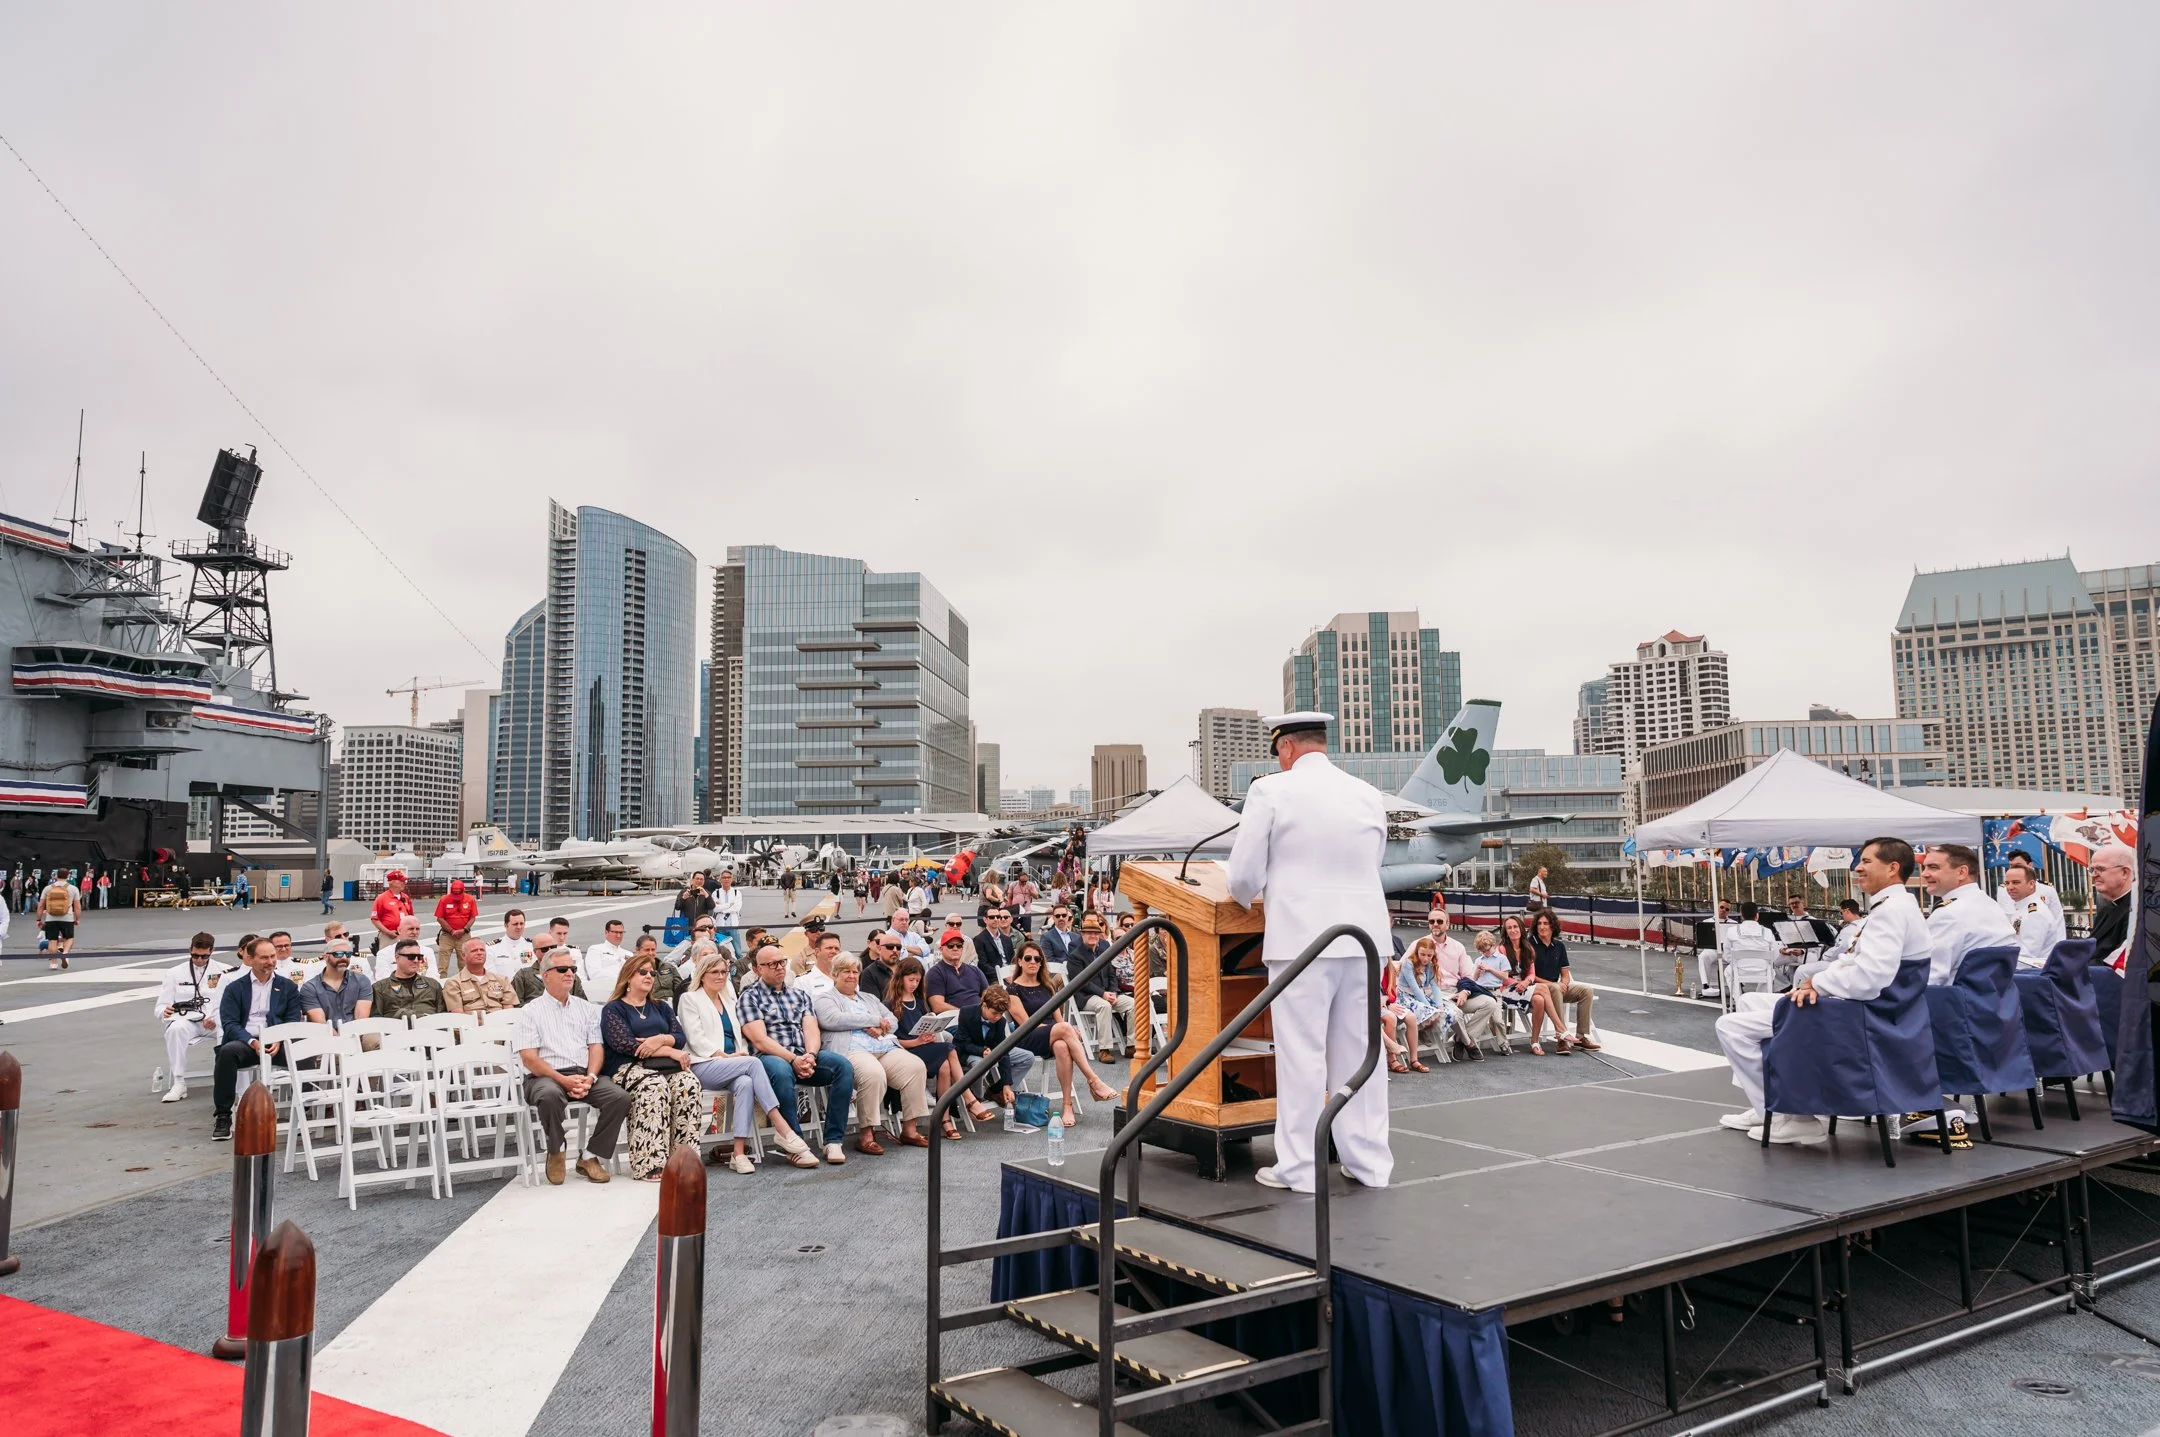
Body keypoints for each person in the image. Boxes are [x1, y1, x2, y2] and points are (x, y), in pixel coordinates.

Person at [1226, 712, 1394, 1193]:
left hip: (1301, 939)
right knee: (1362, 1054)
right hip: (1364, 939)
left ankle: (1299, 1169)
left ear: (1286, 749)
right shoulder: (1366, 792)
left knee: (1302, 1056)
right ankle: (1368, 1163)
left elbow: (1242, 875)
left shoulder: (1270, 791)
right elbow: (1373, 860)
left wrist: (1247, 897)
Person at [1714, 837, 1928, 1145]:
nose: (1858, 867)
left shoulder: (1890, 912)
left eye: (1867, 861)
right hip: (1865, 1007)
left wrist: (1819, 984)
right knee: (1749, 1000)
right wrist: (1816, 982)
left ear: (1893, 868)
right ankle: (1766, 1108)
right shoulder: (1895, 906)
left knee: (1729, 1027)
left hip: (1860, 1015)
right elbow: (1854, 962)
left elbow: (1871, 977)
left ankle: (1795, 1113)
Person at [678, 952, 820, 1172]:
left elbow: (741, 1037)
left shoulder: (729, 999)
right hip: (703, 1064)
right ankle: (783, 1128)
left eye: (724, 972)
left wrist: (740, 1054)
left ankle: (739, 1153)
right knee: (754, 1064)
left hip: (733, 1064)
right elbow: (695, 1039)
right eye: (714, 972)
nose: (720, 976)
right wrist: (725, 1056)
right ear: (702, 974)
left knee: (745, 1083)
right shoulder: (690, 999)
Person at [514, 950, 631, 1184]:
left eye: (573, 969)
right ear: (545, 975)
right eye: (563, 969)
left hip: (582, 1073)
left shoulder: (585, 1008)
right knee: (549, 1095)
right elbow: (529, 1058)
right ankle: (556, 1149)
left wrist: (590, 1077)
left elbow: (596, 1047)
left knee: (620, 1097)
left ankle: (590, 1156)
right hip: (544, 1076)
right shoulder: (530, 1011)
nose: (570, 973)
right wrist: (562, 1080)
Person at [737, 941, 856, 1164]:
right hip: (770, 1057)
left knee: (843, 1066)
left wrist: (810, 1055)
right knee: (781, 1072)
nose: (779, 967)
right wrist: (792, 1059)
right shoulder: (750, 996)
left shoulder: (799, 995)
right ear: (758, 969)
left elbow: (811, 1029)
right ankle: (795, 1145)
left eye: (782, 962)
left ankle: (833, 1140)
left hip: (803, 1055)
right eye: (771, 964)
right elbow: (760, 1040)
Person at [596, 954, 708, 1181]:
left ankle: (684, 1159)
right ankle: (650, 1162)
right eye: (643, 972)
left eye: (653, 973)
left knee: (688, 1084)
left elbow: (679, 1036)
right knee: (654, 1086)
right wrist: (669, 1050)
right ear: (628, 976)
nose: (649, 976)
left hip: (663, 1067)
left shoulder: (661, 1007)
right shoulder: (614, 1009)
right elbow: (625, 1044)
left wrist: (660, 1040)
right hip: (627, 1066)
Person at [814, 954, 933, 1151]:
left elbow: (892, 1021)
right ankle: (866, 1133)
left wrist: (880, 1028)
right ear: (835, 974)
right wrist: (873, 1020)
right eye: (846, 971)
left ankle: (909, 1129)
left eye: (855, 971)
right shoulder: (825, 998)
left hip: (883, 1047)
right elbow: (832, 1019)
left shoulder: (869, 998)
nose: (852, 976)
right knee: (873, 1074)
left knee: (915, 1066)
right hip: (852, 1050)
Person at [1005, 941, 1119, 1130]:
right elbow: (1026, 1024)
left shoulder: (1047, 986)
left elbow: (1058, 1018)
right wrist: (1065, 1029)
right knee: (1066, 1029)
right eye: (1028, 958)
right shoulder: (1013, 990)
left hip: (1054, 1035)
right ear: (1020, 961)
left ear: (1041, 963)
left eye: (1037, 958)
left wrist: (1066, 1030)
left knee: (1062, 1046)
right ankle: (1094, 1080)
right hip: (1028, 1036)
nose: (1033, 962)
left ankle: (1067, 1106)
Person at [887, 955, 996, 1134]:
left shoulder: (919, 1002)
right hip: (905, 1053)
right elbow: (892, 1041)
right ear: (900, 979)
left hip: (923, 1048)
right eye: (910, 979)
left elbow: (922, 1026)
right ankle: (970, 1099)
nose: (914, 984)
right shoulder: (890, 1004)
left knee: (945, 1067)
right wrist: (916, 1041)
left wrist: (930, 1031)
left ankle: (945, 1120)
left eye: (917, 980)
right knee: (950, 1049)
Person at [210, 936, 303, 1140]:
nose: (270, 961)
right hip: (247, 1042)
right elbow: (230, 1024)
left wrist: (279, 1038)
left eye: (272, 956)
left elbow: (292, 1018)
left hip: (277, 1040)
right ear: (250, 959)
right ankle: (223, 1115)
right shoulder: (235, 987)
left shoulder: (287, 987)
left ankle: (305, 1110)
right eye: (264, 958)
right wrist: (252, 1042)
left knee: (306, 1052)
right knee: (226, 1054)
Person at [1921, 843, 2015, 985]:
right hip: (1991, 1002)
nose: (1924, 874)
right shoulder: (1989, 904)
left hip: (1952, 1003)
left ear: (1961, 873)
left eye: (1933, 867)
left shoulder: (1949, 913)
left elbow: (1929, 977)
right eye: (1924, 867)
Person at [155, 932, 233, 1102]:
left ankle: (225, 1080)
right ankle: (179, 1082)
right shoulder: (174, 973)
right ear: (190, 950)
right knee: (175, 1029)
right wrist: (164, 1012)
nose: (199, 959)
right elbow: (160, 1006)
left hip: (214, 1022)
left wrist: (216, 1017)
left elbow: (230, 1003)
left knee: (229, 1031)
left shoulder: (224, 971)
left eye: (204, 956)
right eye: (195, 955)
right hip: (188, 1021)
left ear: (211, 951)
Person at [1068, 913, 1131, 1061]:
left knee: (1132, 1004)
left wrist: (1114, 992)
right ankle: (1105, 1049)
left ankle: (1131, 1045)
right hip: (1085, 997)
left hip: (1106, 993)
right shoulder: (1075, 956)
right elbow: (1081, 981)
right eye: (1089, 933)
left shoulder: (1104, 952)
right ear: (1082, 935)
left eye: (1096, 934)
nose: (1093, 936)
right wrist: (1103, 994)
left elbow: (1111, 975)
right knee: (1104, 1006)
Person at [1393, 938, 1455, 1069]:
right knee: (1428, 1011)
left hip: (1419, 996)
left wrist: (1438, 1005)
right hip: (1406, 997)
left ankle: (1424, 1029)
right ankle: (1421, 1030)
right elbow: (1414, 988)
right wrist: (1429, 1006)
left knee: (1446, 1012)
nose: (1425, 958)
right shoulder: (1408, 964)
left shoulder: (1430, 966)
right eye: (1422, 954)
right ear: (1417, 952)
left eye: (1429, 955)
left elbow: (1435, 986)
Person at [2002, 860, 2067, 970]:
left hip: (2033, 976)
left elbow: (2027, 956)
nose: (2010, 887)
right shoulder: (2023, 908)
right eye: (2007, 883)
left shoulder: (2034, 913)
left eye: (2016, 882)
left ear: (2031, 884)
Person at [299, 934, 373, 1028]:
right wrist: (340, 1041)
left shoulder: (362, 981)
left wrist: (351, 1039)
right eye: (338, 954)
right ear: (325, 957)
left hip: (357, 1033)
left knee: (374, 1039)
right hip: (326, 1036)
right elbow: (321, 1023)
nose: (344, 958)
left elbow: (361, 1019)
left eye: (348, 954)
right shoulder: (310, 988)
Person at [372, 941, 449, 1023]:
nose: (416, 960)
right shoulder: (380, 988)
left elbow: (443, 1015)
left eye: (419, 957)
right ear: (397, 958)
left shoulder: (433, 985)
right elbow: (376, 1019)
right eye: (411, 957)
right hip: (396, 1031)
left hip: (430, 1030)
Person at [2089, 844, 2137, 970]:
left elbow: (2118, 965)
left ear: (2124, 872)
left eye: (2100, 869)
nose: (2094, 875)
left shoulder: (2138, 912)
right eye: (2091, 870)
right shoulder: (2107, 908)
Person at [444, 936, 520, 1014]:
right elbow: (458, 1015)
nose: (479, 953)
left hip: (500, 1023)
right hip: (471, 1024)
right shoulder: (454, 983)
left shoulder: (502, 980)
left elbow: (509, 1011)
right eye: (474, 951)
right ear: (463, 956)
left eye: (482, 950)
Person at [1995, 853, 2064, 929]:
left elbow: (2058, 919)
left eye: (2018, 865)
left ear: (2030, 865)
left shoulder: (2047, 888)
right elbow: (2009, 917)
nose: (2013, 868)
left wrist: (2059, 941)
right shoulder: (2004, 889)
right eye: (2011, 866)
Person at [514, 933, 588, 1004]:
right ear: (535, 951)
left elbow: (582, 1002)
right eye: (545, 949)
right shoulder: (523, 975)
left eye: (553, 947)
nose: (550, 951)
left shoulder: (570, 973)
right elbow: (516, 1004)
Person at [432, 879, 478, 977]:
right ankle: (441, 984)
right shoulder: (444, 899)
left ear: (463, 890)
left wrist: (464, 929)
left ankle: (464, 984)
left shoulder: (470, 899)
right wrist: (451, 931)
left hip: (464, 935)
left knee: (464, 963)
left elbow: (472, 917)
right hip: (447, 935)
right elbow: (439, 918)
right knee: (442, 965)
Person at [37, 868, 79, 970]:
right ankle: (65, 953)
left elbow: (41, 906)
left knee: (52, 940)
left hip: (51, 918)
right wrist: (77, 918)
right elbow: (77, 907)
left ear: (56, 876)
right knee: (69, 938)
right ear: (68, 876)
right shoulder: (73, 889)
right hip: (67, 917)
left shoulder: (48, 888)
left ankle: (53, 963)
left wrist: (38, 919)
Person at [581, 918, 634, 997]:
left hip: (625, 993)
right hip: (603, 993)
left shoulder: (628, 954)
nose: (618, 935)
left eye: (621, 932)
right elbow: (595, 974)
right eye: (615, 932)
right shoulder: (596, 949)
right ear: (606, 932)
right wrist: (621, 979)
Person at [370, 871, 414, 959]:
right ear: (392, 882)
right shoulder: (382, 898)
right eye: (401, 881)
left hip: (405, 935)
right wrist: (388, 932)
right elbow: (375, 919)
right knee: (387, 959)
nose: (404, 883)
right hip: (389, 936)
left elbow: (411, 917)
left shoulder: (405, 897)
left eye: (404, 881)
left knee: (406, 959)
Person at [973, 906, 1018, 985]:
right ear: (985, 920)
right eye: (992, 917)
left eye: (998, 917)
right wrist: (1002, 975)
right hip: (994, 978)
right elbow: (983, 965)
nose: (996, 919)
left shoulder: (1006, 939)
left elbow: (1012, 959)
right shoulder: (979, 940)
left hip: (1010, 974)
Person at [372, 914, 423, 979]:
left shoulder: (427, 951)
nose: (415, 932)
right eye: (411, 929)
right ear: (399, 930)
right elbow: (382, 979)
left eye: (417, 929)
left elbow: (433, 976)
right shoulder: (384, 953)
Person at [487, 908, 534, 977]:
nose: (519, 927)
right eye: (515, 924)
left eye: (521, 923)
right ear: (506, 926)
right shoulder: (492, 948)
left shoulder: (531, 945)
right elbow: (491, 975)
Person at [859, 931, 900, 1004]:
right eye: (890, 947)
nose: (895, 950)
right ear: (880, 949)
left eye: (898, 947)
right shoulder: (869, 973)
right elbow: (872, 1005)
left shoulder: (906, 969)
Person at [712, 869, 745, 953]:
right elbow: (715, 908)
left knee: (737, 950)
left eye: (728, 877)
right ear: (720, 879)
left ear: (731, 879)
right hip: (720, 925)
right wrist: (729, 904)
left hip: (733, 925)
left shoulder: (736, 892)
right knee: (721, 950)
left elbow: (737, 907)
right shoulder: (716, 893)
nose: (726, 879)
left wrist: (722, 909)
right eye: (724, 877)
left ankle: (738, 965)